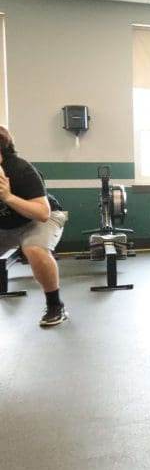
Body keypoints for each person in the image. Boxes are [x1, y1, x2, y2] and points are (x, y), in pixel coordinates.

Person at [0, 125, 69, 327]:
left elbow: (42, 213)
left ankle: (55, 306)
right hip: (6, 225)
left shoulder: (20, 170)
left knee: (34, 248)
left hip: (39, 219)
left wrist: (7, 197)